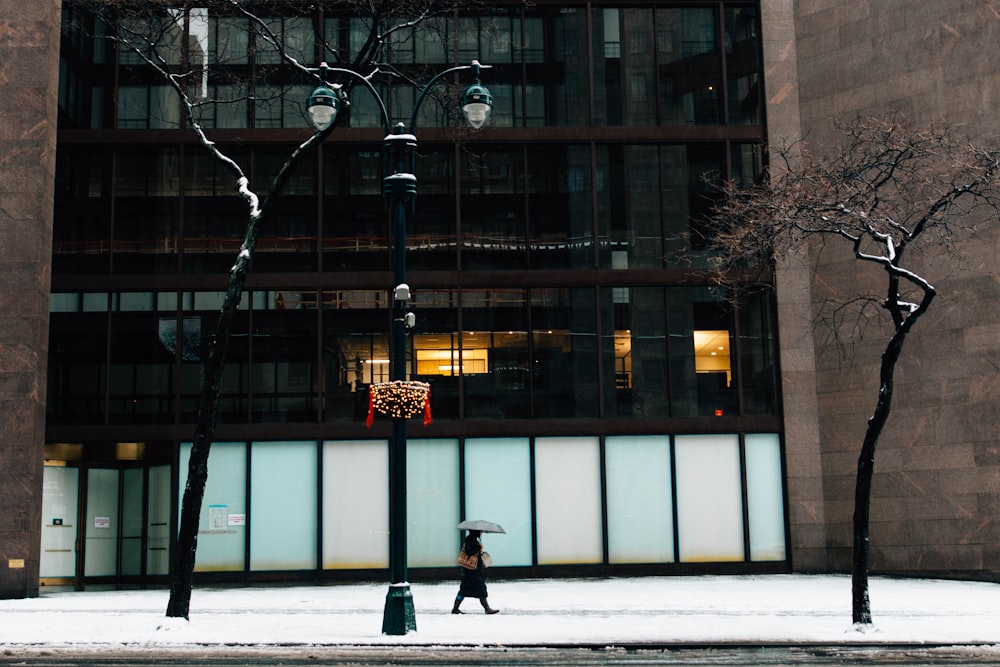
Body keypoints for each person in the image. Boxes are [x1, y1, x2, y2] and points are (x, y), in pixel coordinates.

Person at [452, 529, 499, 614]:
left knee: (465, 589)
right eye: (480, 531)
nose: (481, 533)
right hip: (471, 570)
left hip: (472, 570)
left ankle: (455, 608)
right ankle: (487, 608)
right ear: (475, 532)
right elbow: (469, 551)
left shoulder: (473, 539)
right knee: (479, 589)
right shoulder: (471, 540)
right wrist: (478, 548)